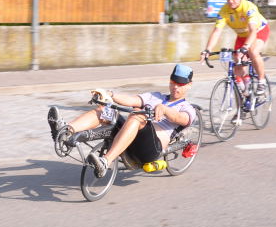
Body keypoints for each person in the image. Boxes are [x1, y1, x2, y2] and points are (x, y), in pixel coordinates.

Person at [47, 64, 197, 178]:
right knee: (105, 110)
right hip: (130, 135)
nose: (175, 87)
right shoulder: (155, 96)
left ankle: (105, 162)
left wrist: (164, 109)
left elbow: (180, 119)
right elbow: (131, 99)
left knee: (137, 115)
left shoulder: (187, 108)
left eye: (180, 84)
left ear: (189, 85)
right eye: (173, 82)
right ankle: (65, 131)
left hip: (150, 149)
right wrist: (109, 95)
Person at [200, 0, 270, 95]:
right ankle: (246, 87)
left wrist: (245, 47)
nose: (230, 1)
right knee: (236, 61)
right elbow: (217, 31)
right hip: (242, 35)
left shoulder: (248, 7)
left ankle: (262, 81)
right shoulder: (224, 10)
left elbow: (252, 31)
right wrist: (207, 50)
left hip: (258, 31)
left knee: (253, 51)